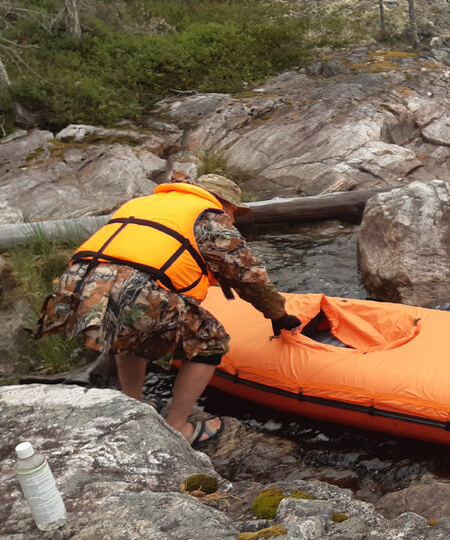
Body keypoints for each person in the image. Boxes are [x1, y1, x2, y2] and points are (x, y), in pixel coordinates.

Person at [36, 173, 301, 447]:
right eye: (235, 210)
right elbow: (249, 279)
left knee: (128, 331)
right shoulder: (209, 217)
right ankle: (178, 427)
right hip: (134, 288)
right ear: (223, 202)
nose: (234, 218)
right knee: (209, 342)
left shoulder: (143, 204)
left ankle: (134, 404)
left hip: (77, 286)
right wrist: (279, 316)